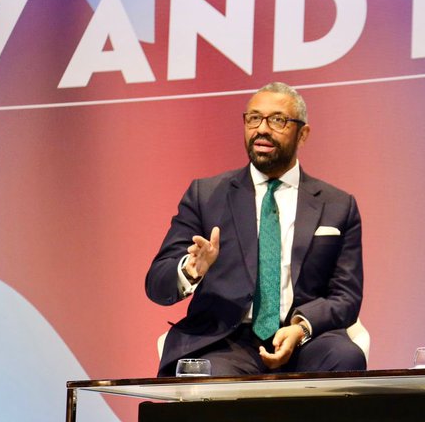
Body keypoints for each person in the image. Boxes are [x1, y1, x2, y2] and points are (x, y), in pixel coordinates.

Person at [146, 81, 365, 377]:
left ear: (303, 134)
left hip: (306, 339)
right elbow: (157, 284)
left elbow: (346, 296)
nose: (262, 129)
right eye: (253, 118)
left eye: (277, 120)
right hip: (225, 339)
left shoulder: (338, 205)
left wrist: (301, 328)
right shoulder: (206, 195)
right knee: (211, 376)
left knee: (343, 357)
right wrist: (191, 270)